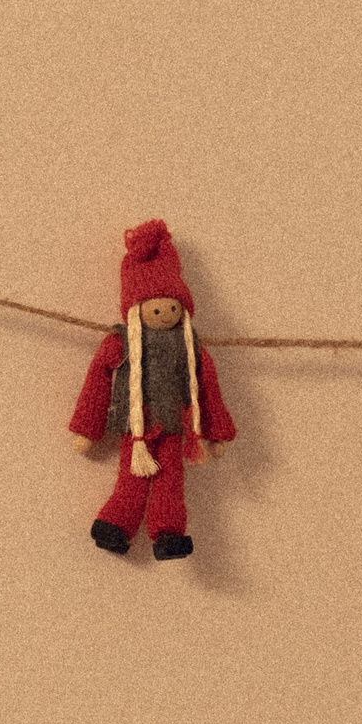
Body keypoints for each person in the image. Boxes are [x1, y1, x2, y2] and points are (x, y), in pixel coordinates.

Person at [70, 219, 235, 561]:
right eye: (155, 305)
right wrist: (89, 427)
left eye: (173, 305)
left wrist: (215, 432)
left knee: (170, 483)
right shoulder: (121, 344)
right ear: (135, 307)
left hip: (176, 428)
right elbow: (97, 383)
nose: (165, 312)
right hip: (138, 427)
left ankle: (169, 534)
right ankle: (115, 525)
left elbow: (208, 388)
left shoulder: (190, 347)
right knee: (131, 481)